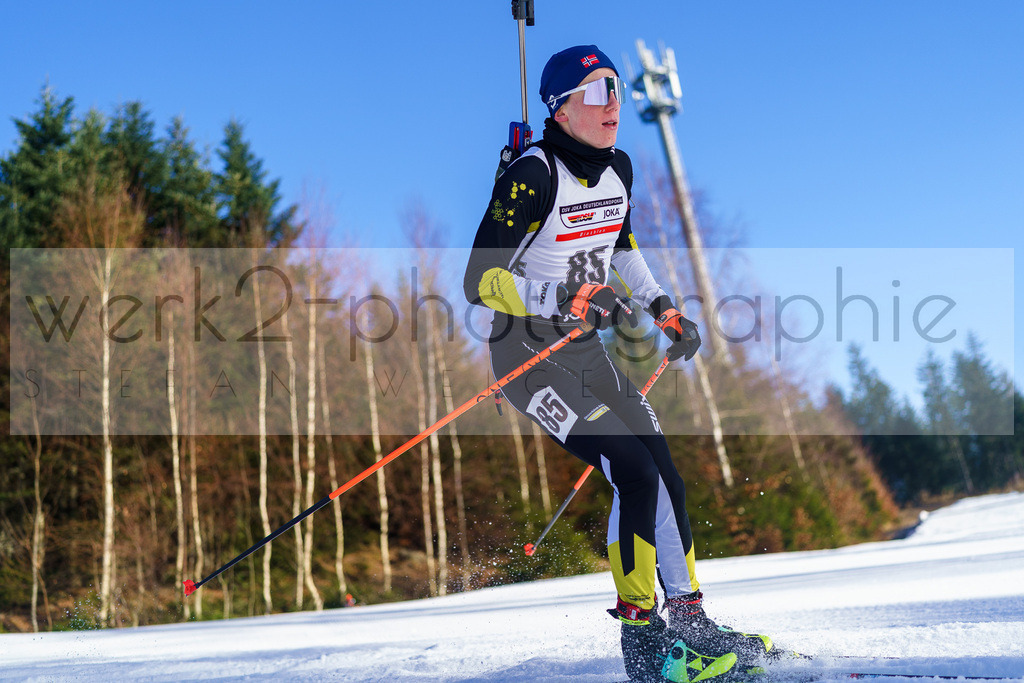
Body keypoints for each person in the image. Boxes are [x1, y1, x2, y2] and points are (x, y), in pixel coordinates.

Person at [463, 45, 774, 682]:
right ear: (562, 108)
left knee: (663, 470)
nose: (613, 104)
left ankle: (689, 621)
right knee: (631, 468)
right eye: (597, 92)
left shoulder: (618, 169)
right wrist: (567, 296)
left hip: (580, 347)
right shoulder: (532, 175)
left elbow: (621, 246)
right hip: (524, 355)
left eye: (614, 89)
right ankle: (644, 645)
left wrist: (664, 309)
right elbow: (479, 279)